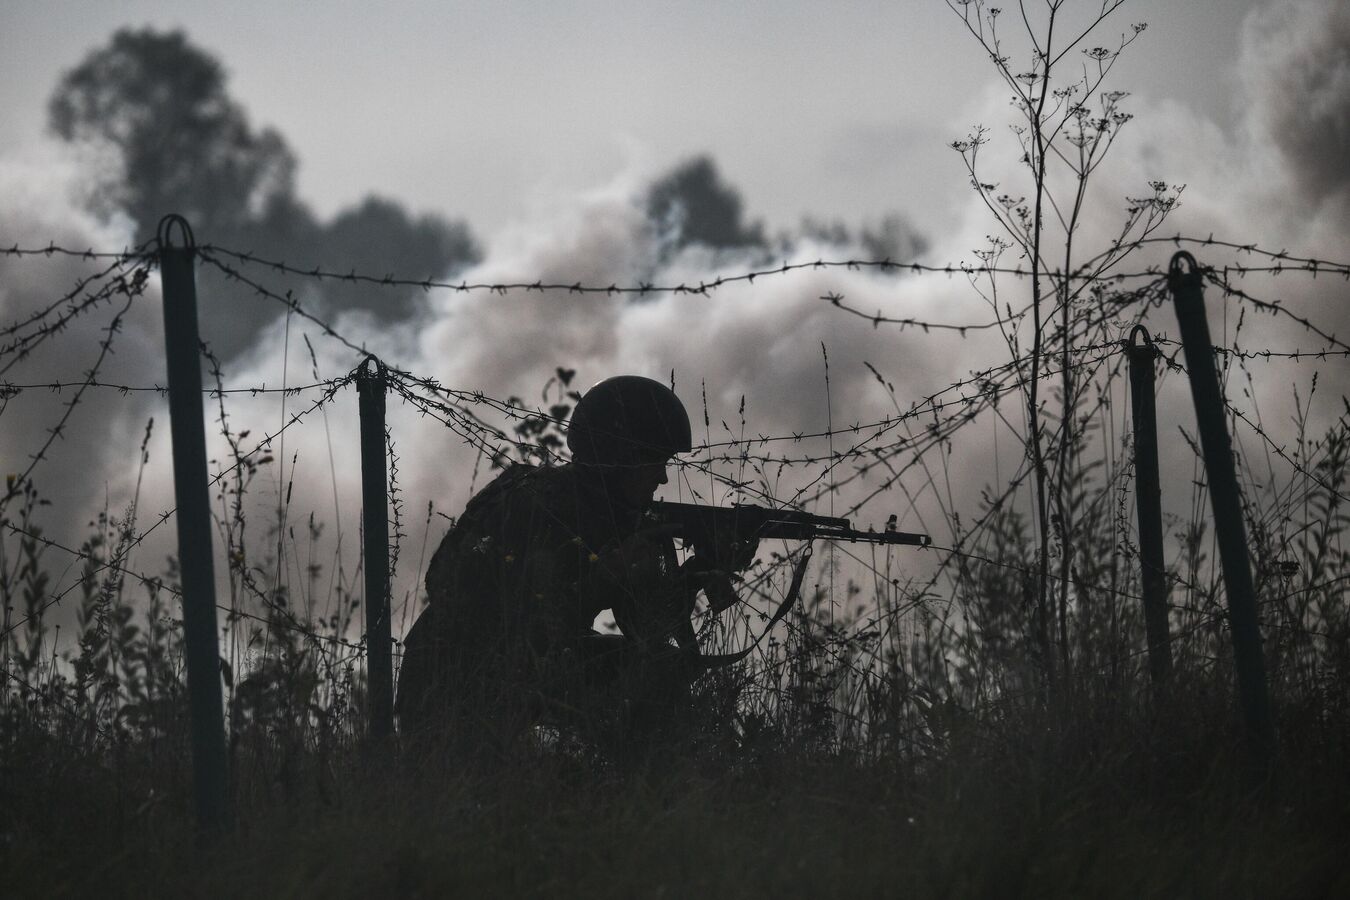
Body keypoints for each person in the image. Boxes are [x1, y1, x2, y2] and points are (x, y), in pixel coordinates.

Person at [396, 375, 753, 747]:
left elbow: (648, 629)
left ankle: (643, 785)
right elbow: (493, 612)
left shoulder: (615, 517)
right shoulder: (536, 504)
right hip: (453, 686)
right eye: (654, 462)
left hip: (522, 673)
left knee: (660, 669)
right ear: (618, 458)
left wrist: (699, 570)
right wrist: (598, 581)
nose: (662, 478)